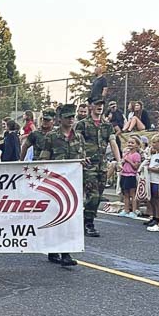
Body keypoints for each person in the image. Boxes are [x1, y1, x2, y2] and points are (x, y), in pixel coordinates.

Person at [38, 104, 85, 267]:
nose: (71, 119)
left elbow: (82, 157)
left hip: (72, 183)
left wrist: (83, 163)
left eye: (73, 117)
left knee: (70, 216)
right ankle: (53, 249)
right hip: (55, 183)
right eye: (68, 117)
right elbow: (44, 159)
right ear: (60, 119)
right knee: (55, 216)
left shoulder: (79, 137)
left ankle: (66, 252)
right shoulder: (51, 136)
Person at [75, 97, 121, 237]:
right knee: (92, 195)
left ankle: (86, 219)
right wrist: (80, 157)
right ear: (91, 106)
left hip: (102, 165)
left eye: (101, 105)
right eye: (97, 104)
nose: (100, 107)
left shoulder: (107, 126)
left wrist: (119, 160)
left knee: (98, 195)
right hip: (88, 165)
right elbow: (77, 142)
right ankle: (88, 223)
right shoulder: (82, 125)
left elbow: (113, 143)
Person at [144, 133, 159, 227]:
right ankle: (153, 216)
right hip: (151, 179)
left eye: (155, 143)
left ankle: (158, 217)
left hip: (157, 181)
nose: (153, 145)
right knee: (152, 199)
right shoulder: (154, 155)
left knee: (157, 200)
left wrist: (150, 169)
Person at [118, 136, 143, 218]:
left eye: (132, 143)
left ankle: (134, 210)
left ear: (137, 145)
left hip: (131, 175)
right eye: (129, 142)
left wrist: (129, 161)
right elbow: (122, 163)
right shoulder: (126, 153)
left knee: (133, 194)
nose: (130, 144)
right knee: (125, 194)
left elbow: (136, 166)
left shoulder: (136, 155)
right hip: (124, 174)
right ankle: (126, 209)